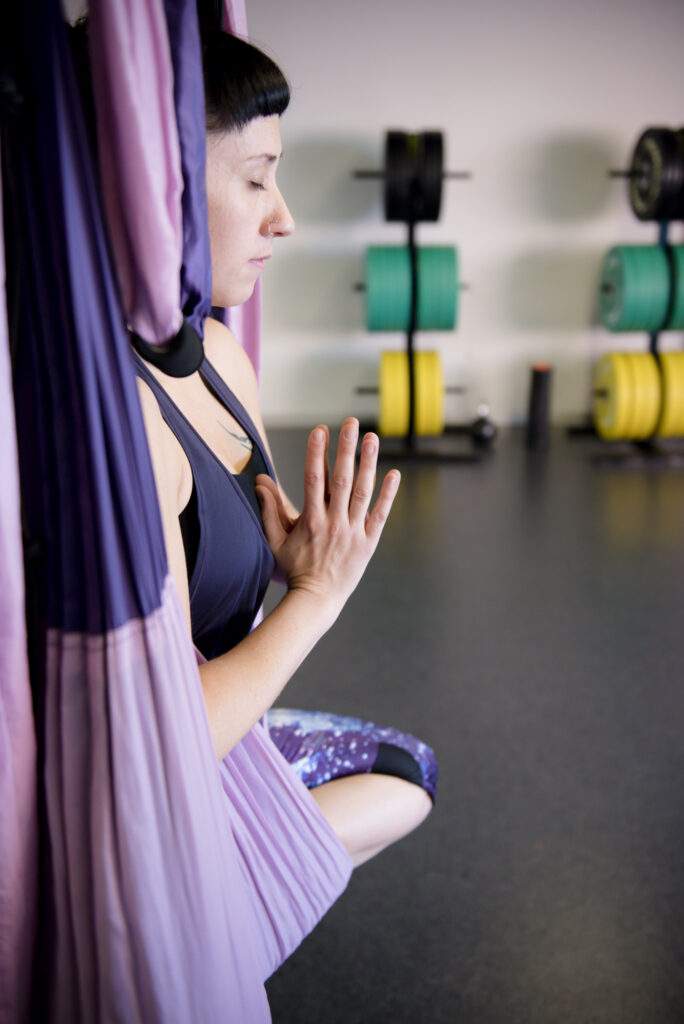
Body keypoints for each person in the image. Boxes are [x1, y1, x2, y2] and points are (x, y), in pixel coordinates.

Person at [70, 15, 437, 871]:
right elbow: (168, 744)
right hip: (154, 799)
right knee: (397, 783)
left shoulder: (220, 354)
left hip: (224, 751)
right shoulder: (120, 421)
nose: (285, 218)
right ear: (158, 194)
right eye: (256, 180)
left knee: (404, 775)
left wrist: (289, 557)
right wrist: (314, 596)